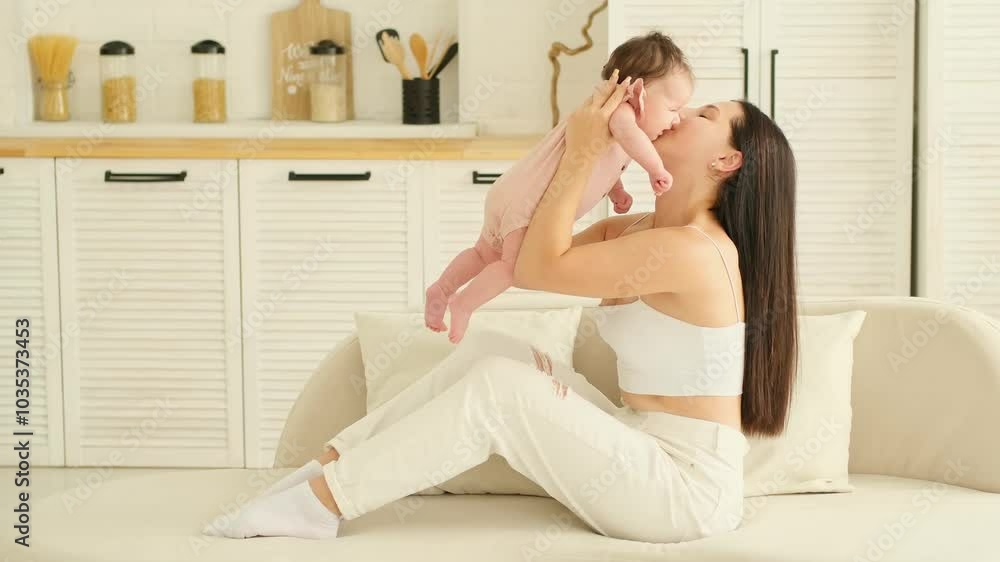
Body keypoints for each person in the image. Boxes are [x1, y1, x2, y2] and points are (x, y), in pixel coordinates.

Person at [202, 69, 798, 544]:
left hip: (682, 488)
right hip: (637, 439)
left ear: (728, 161)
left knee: (497, 388)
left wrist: (580, 153)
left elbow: (540, 267)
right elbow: (536, 250)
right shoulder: (642, 230)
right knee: (489, 350)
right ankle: (325, 470)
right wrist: (584, 144)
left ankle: (321, 504)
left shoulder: (689, 251)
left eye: (704, 116)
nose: (682, 113)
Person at [425, 32, 692, 343]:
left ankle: (442, 288)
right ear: (638, 92)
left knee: (482, 253)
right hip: (527, 204)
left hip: (510, 193)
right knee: (513, 267)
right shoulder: (620, 115)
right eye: (674, 108)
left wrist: (616, 190)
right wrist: (656, 168)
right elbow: (628, 138)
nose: (677, 119)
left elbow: (596, 161)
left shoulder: (601, 118)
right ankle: (464, 304)